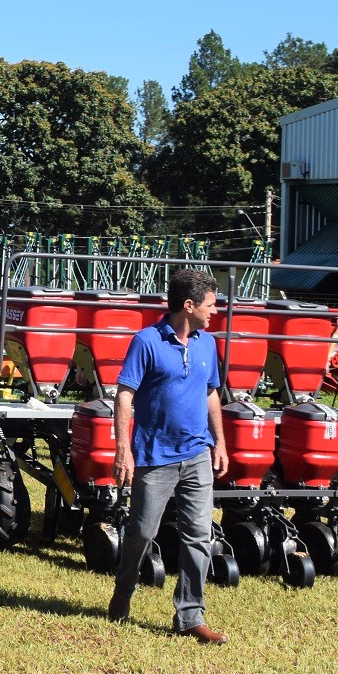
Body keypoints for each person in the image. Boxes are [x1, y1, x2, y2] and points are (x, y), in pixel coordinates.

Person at [109, 267, 231, 644]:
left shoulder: (208, 344)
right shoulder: (146, 342)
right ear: (189, 304)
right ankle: (124, 590)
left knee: (199, 535)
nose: (215, 311)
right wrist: (123, 449)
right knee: (143, 531)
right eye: (211, 304)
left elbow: (212, 394)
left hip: (197, 453)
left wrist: (220, 442)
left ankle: (191, 616)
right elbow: (125, 395)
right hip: (155, 455)